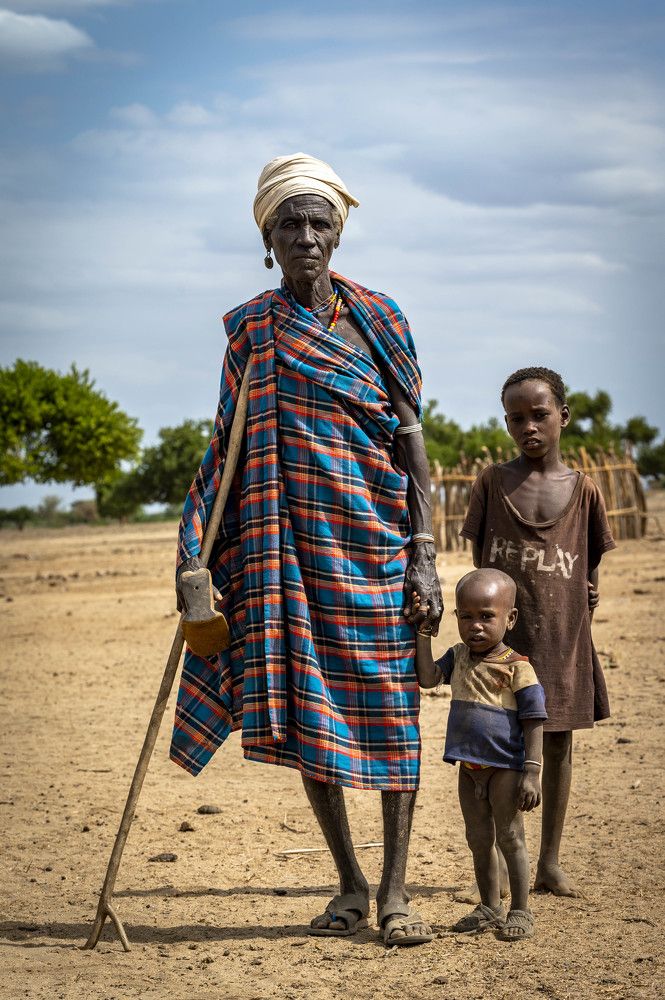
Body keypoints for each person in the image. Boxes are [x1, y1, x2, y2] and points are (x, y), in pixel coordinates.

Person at [170, 153, 443, 945]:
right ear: (268, 238)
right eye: (289, 224)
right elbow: (225, 451)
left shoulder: (380, 319)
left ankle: (395, 893)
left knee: (394, 713)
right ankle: (350, 886)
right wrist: (195, 555)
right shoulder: (252, 331)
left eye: (319, 222)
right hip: (287, 555)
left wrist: (424, 551)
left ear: (339, 232)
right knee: (310, 718)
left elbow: (412, 445)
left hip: (376, 547)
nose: (306, 237)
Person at [460, 367, 615, 898]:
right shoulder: (491, 483)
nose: (529, 427)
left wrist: (588, 593)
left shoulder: (585, 491)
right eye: (516, 418)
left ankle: (549, 861)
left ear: (563, 417)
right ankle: (506, 862)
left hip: (561, 638)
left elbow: (589, 569)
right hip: (503, 646)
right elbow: (479, 565)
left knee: (557, 743)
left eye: (540, 415)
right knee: (501, 748)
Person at [412, 568, 546, 941]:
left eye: (487, 616)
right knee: (477, 837)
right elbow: (426, 678)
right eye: (466, 616)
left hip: (505, 767)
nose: (475, 626)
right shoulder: (458, 657)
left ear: (510, 618)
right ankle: (490, 906)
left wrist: (532, 772)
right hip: (469, 768)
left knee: (510, 836)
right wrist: (424, 634)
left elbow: (535, 720)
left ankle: (520, 908)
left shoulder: (518, 667)